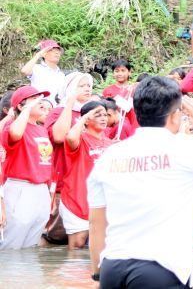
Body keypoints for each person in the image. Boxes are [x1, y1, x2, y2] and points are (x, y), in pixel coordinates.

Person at [86, 77, 193, 287]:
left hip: (113, 267)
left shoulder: (109, 156)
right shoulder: (189, 149)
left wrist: (97, 274)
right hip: (163, 268)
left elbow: (96, 222)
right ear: (176, 115)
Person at [52, 98, 112, 250]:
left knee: (99, 245)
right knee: (78, 243)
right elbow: (71, 137)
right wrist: (84, 117)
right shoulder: (81, 138)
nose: (103, 118)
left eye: (105, 114)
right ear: (85, 119)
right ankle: (72, 273)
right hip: (76, 198)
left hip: (100, 200)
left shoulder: (109, 143)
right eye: (98, 115)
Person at [0, 86, 53, 250]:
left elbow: (46, 162)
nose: (41, 101)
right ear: (21, 106)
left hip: (41, 190)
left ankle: (27, 276)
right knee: (12, 243)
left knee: (31, 245)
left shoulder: (42, 129)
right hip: (20, 188)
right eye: (35, 98)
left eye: (41, 98)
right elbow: (15, 134)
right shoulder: (11, 126)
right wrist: (26, 109)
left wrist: (49, 193)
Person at [20, 39, 65, 104]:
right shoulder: (36, 68)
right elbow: (25, 71)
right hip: (40, 107)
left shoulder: (61, 75)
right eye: (52, 50)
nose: (57, 52)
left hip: (56, 109)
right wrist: (39, 54)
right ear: (44, 54)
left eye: (58, 50)